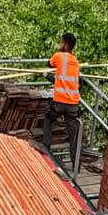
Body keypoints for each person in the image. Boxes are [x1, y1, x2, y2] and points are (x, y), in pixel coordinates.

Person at [41, 32, 82, 165]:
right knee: (73, 136)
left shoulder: (58, 56)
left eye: (61, 42)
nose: (59, 44)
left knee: (48, 118)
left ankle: (45, 150)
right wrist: (49, 76)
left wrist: (46, 75)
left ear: (65, 44)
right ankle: (76, 166)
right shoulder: (76, 62)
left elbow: (49, 63)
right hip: (73, 104)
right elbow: (62, 82)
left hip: (59, 102)